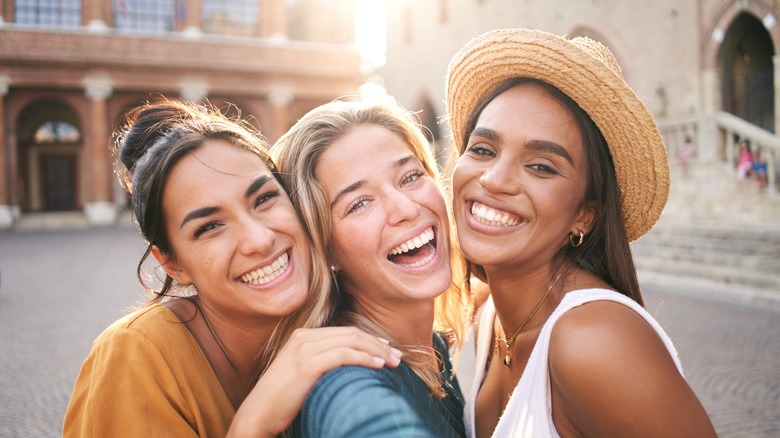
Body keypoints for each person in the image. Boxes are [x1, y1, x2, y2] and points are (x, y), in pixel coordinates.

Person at [63, 100, 403, 437]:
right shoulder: (135, 357)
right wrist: (253, 424)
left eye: (264, 199)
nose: (259, 239)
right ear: (173, 263)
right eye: (210, 227)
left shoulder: (342, 312)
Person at [445, 29, 717, 437]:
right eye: (483, 149)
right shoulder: (492, 315)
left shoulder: (593, 341)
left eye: (542, 166)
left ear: (585, 216)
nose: (495, 179)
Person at [267, 96, 472, 437]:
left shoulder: (431, 346)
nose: (404, 208)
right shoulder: (343, 378)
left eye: (409, 177)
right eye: (359, 203)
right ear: (325, 250)